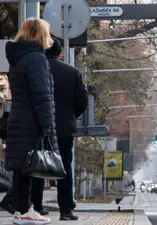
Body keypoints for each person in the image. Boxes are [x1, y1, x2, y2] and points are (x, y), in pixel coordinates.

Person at [5, 18, 57, 224]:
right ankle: (26, 210)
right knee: (31, 167)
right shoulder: (36, 59)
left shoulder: (17, 59)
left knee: (22, 167)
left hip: (19, 117)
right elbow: (42, 94)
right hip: (31, 121)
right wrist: (47, 124)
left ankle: (21, 210)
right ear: (42, 35)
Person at [45, 38, 88, 220]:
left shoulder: (37, 70)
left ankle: (35, 207)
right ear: (60, 53)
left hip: (40, 126)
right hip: (64, 128)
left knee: (37, 165)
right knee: (64, 168)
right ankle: (65, 210)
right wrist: (71, 115)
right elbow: (82, 102)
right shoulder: (72, 72)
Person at [0, 76, 49, 217]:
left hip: (19, 133)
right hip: (29, 132)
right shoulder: (34, 90)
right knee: (31, 169)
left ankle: (18, 204)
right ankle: (24, 207)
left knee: (24, 171)